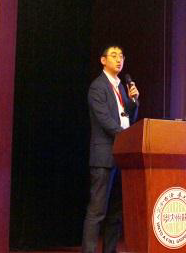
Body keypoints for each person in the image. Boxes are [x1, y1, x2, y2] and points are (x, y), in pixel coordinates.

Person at [81, 45, 139, 253]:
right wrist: (126, 136)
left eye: (121, 56)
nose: (119, 59)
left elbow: (127, 118)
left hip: (121, 155)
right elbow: (105, 120)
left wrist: (133, 102)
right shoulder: (98, 87)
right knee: (97, 210)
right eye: (113, 55)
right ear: (103, 60)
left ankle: (110, 250)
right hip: (104, 156)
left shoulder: (121, 86)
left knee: (116, 211)